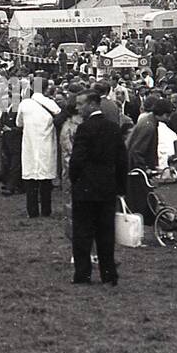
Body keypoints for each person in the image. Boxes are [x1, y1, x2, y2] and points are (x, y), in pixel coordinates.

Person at [68, 92, 128, 286]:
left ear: (92, 104)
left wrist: (74, 180)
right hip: (107, 187)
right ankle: (109, 274)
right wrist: (120, 186)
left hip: (85, 187)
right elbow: (122, 160)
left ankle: (83, 274)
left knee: (83, 233)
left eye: (80, 104)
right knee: (106, 234)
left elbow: (77, 160)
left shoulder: (84, 129)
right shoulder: (113, 128)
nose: (78, 108)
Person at [18, 82, 60, 218]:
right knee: (45, 180)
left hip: (30, 144)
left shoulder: (24, 104)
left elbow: (18, 123)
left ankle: (32, 211)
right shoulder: (51, 104)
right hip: (46, 144)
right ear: (46, 88)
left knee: (31, 179)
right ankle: (46, 210)